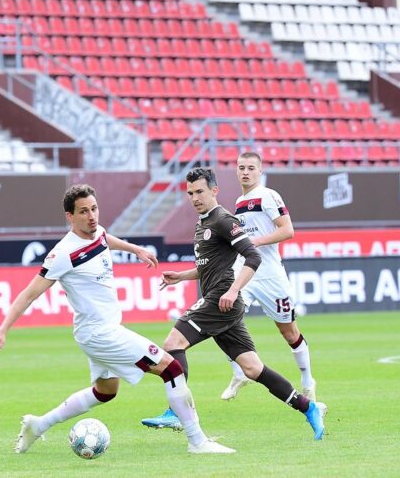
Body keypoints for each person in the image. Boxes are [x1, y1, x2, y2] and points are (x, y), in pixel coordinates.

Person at [0, 184, 235, 455]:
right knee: (171, 369)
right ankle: (197, 441)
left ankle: (38, 424)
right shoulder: (62, 254)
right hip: (99, 333)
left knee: (105, 391)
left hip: (99, 331)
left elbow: (105, 238)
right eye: (83, 212)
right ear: (70, 217)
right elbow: (28, 294)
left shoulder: (97, 231)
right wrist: (2, 330)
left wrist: (136, 249)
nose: (92, 216)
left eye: (94, 208)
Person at [140, 168, 326, 440]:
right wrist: (182, 276)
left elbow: (253, 257)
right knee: (252, 369)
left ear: (214, 190)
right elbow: (210, 266)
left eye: (200, 191)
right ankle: (308, 408)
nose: (195, 198)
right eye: (190, 193)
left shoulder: (224, 220)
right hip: (224, 303)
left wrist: (233, 290)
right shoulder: (203, 222)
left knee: (172, 344)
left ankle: (176, 411)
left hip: (220, 300)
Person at [220, 151, 317, 401]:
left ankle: (308, 381)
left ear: (260, 171)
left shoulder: (268, 195)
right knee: (220, 315)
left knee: (289, 332)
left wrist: (255, 241)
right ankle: (239, 372)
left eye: (251, 168)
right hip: (245, 271)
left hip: (270, 274)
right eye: (241, 167)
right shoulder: (239, 201)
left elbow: (287, 230)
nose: (245, 172)